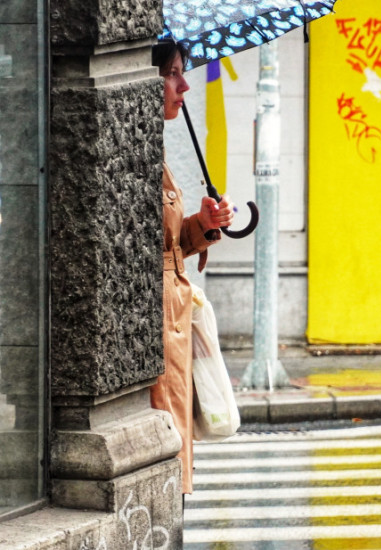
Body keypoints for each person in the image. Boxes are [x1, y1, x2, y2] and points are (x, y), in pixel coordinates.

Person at [150, 39, 235, 496]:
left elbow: (163, 243)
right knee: (165, 458)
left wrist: (201, 225)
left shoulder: (153, 149)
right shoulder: (134, 152)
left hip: (174, 325)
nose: (183, 85)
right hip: (159, 330)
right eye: (173, 73)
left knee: (177, 452)